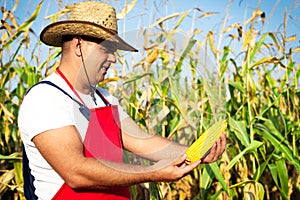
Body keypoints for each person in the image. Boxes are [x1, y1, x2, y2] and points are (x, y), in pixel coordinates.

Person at [18, 1, 226, 200]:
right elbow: (76, 173)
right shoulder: (46, 98)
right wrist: (151, 172)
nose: (114, 59)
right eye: (106, 49)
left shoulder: (104, 98)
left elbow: (143, 142)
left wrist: (196, 153)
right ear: (79, 45)